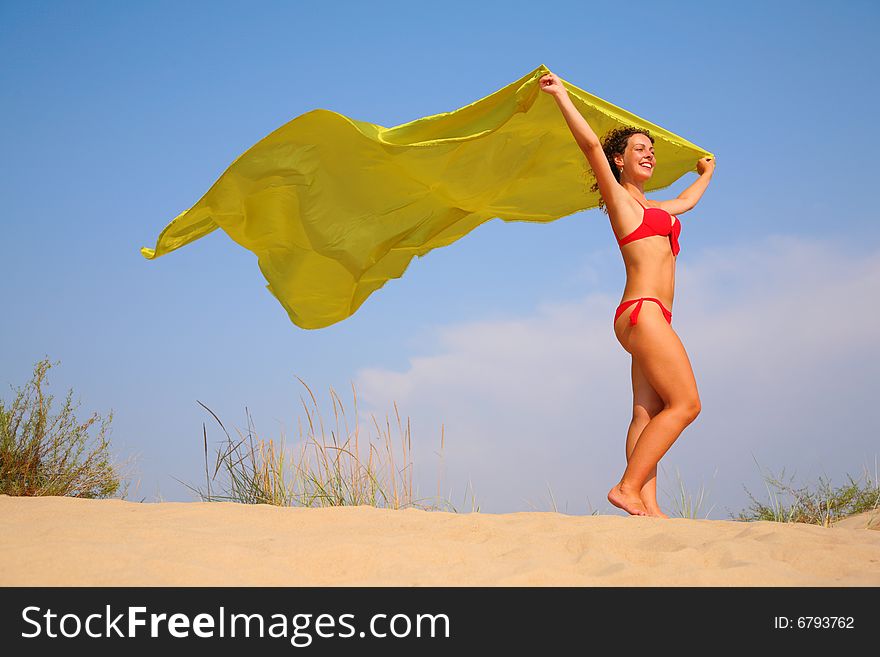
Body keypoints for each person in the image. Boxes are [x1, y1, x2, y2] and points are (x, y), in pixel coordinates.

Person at [539, 71, 715, 518]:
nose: (649, 154)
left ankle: (648, 505)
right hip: (643, 312)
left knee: (646, 412)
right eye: (639, 149)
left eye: (651, 150)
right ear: (620, 160)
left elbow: (688, 202)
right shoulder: (621, 201)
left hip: (648, 316)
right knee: (686, 404)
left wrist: (706, 174)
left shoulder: (656, 207)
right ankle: (627, 486)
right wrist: (561, 96)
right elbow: (591, 146)